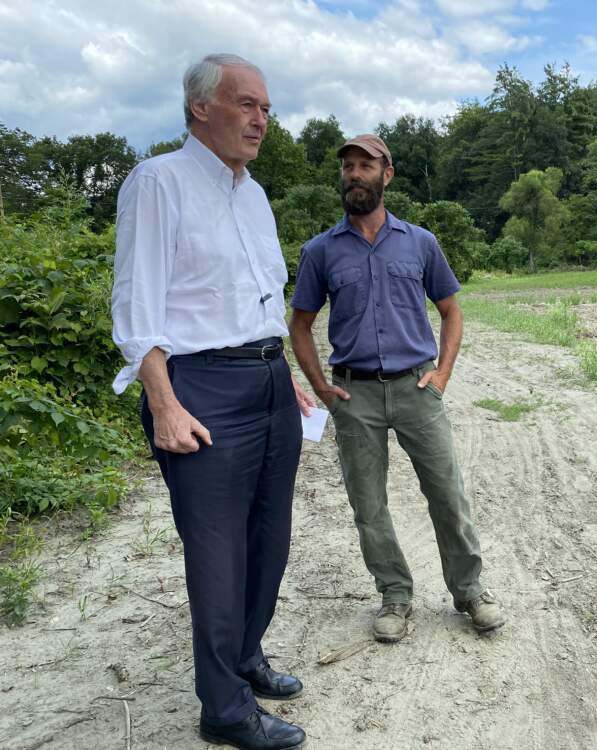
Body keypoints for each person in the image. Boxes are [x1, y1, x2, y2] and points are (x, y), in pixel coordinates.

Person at [111, 53, 311, 750]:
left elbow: (260, 301)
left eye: (266, 108)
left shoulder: (253, 194)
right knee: (218, 551)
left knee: (269, 538)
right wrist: (163, 402)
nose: (261, 119)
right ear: (201, 107)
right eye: (247, 104)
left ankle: (247, 656)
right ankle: (223, 709)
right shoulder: (158, 181)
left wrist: (283, 375)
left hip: (266, 380)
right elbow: (136, 305)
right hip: (200, 387)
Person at [289, 134, 505, 643]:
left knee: (447, 494)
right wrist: (320, 386)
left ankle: (470, 591)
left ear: (387, 175)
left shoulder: (420, 242)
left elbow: (450, 311)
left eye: (365, 165)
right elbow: (299, 324)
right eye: (347, 167)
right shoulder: (320, 251)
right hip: (353, 395)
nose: (354, 174)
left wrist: (444, 374)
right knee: (369, 503)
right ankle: (394, 595)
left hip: (416, 387)